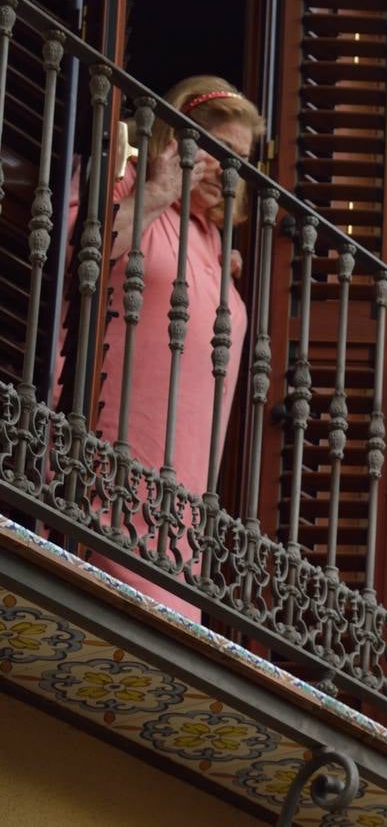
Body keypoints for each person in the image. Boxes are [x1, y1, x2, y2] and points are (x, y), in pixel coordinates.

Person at [70, 75, 264, 618]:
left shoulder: (209, 236)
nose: (231, 173)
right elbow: (83, 263)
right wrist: (155, 194)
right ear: (179, 140)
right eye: (221, 152)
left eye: (242, 162)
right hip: (111, 467)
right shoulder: (124, 183)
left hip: (183, 504)